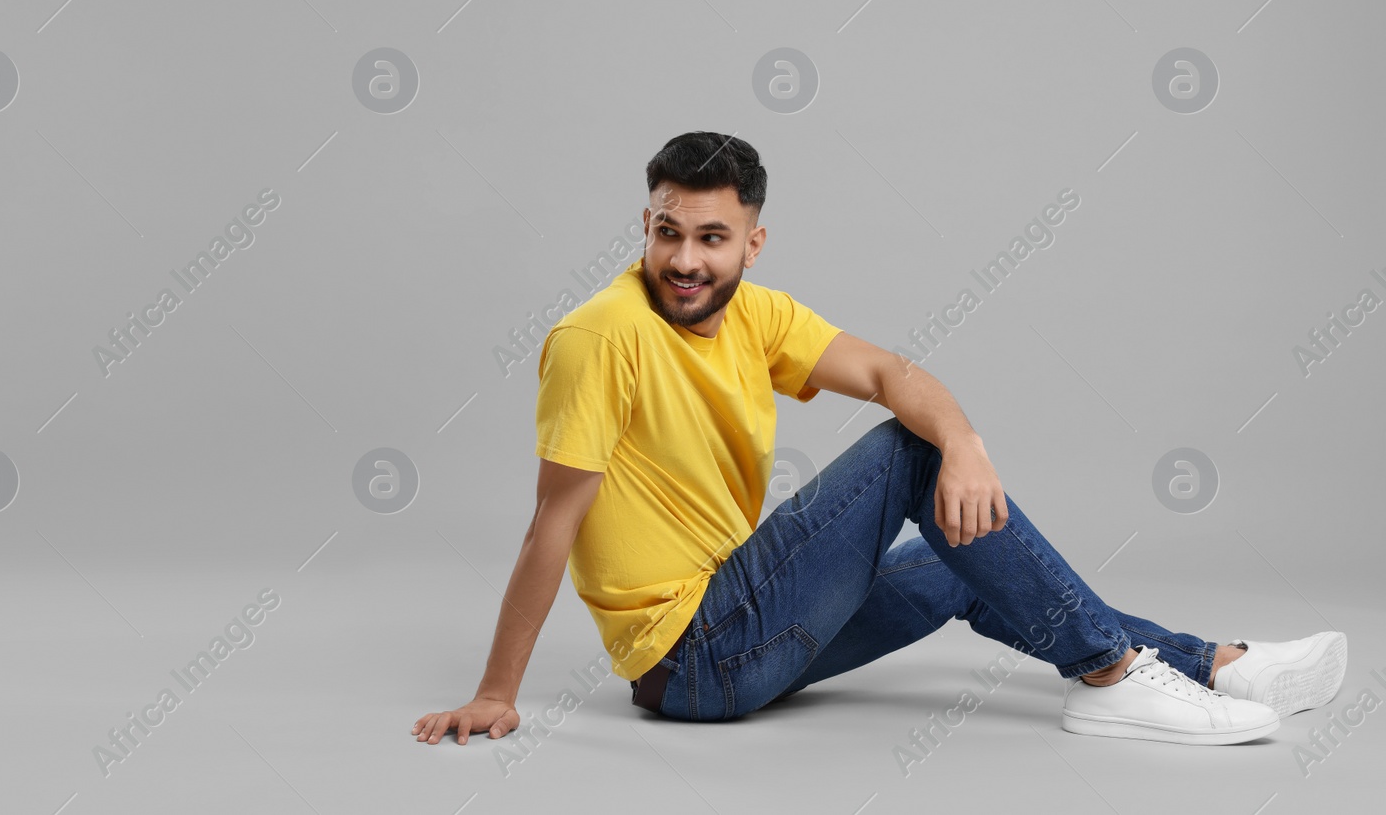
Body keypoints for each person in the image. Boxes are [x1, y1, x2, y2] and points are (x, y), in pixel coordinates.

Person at [411, 131, 1347, 747]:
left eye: (710, 237)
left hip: (744, 637)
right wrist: (499, 691)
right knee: (908, 454)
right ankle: (1112, 673)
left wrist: (968, 440)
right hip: (694, 655)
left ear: (753, 243)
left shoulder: (758, 314)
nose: (685, 260)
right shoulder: (600, 336)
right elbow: (551, 523)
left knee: (957, 552)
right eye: (666, 232)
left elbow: (895, 373)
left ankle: (1216, 665)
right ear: (644, 225)